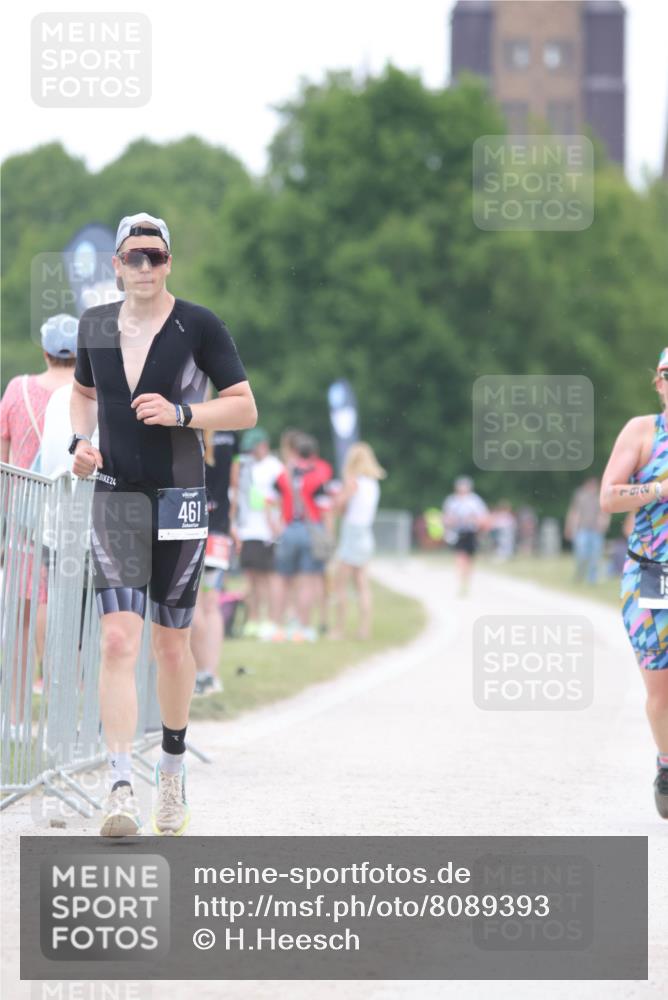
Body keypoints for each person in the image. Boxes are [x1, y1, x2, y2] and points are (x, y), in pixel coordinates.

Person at [69, 212, 256, 836]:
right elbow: (84, 395)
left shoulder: (198, 324)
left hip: (179, 498)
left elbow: (245, 407)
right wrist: (79, 442)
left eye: (156, 255)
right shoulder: (95, 325)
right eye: (133, 256)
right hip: (115, 497)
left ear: (168, 262)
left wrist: (182, 411)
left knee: (169, 643)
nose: (145, 266)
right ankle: (120, 782)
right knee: (119, 640)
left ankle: (171, 771)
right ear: (116, 265)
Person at [600, 347, 668, 819]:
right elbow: (608, 497)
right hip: (652, 573)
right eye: (667, 373)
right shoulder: (643, 431)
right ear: (658, 382)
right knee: (661, 691)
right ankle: (667, 763)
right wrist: (659, 489)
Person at [0, 313, 79, 721]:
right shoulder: (89, 394)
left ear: (45, 350)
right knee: (69, 615)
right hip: (74, 514)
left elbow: (3, 454)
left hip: (24, 514)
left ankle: (14, 715)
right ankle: (61, 712)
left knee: (20, 615)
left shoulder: (19, 390)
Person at [189, 425, 239, 696]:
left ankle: (198, 672)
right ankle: (211, 673)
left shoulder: (186, 426)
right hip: (219, 532)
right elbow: (236, 484)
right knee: (212, 606)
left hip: (190, 530)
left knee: (193, 606)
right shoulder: (230, 433)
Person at [273, 432, 333, 640]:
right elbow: (325, 509)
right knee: (308, 582)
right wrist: (329, 535)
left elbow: (273, 500)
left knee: (283, 580)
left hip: (289, 528)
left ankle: (278, 626)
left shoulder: (284, 474)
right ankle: (303, 627)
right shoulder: (318, 476)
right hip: (311, 529)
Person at [228, 427, 283, 639]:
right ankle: (252, 619)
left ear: (263, 446)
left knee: (266, 578)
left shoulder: (275, 468)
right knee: (249, 577)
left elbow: (284, 498)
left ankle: (269, 620)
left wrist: (268, 504)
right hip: (246, 529)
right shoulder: (243, 465)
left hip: (265, 531)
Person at [329, 442, 385, 641]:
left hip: (352, 534)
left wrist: (338, 498)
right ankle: (364, 629)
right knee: (362, 585)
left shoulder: (354, 482)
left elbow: (338, 505)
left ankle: (339, 628)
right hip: (366, 533)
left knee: (340, 585)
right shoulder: (373, 484)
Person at [442, 476, 489, 597]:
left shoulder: (475, 501)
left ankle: (466, 581)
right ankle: (461, 581)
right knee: (460, 556)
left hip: (471, 532)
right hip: (458, 532)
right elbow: (446, 518)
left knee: (469, 559)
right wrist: (452, 522)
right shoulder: (452, 501)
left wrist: (475, 522)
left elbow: (483, 517)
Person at [564, 477, 611, 584]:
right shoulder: (580, 496)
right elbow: (574, 512)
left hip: (596, 531)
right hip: (582, 529)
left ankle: (592, 579)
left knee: (595, 556)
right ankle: (579, 575)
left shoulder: (600, 496)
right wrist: (569, 527)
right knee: (581, 553)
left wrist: (604, 524)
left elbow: (605, 512)